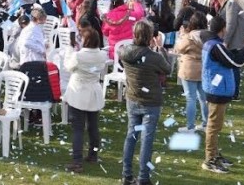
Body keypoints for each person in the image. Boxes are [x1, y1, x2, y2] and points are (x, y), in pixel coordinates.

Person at [201, 16, 244, 173]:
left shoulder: (214, 44)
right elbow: (235, 62)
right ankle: (209, 159)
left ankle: (215, 155)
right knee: (213, 126)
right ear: (222, 29)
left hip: (217, 89)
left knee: (216, 126)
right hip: (216, 91)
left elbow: (229, 58)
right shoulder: (215, 46)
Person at [119, 20, 171, 185]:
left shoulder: (124, 52)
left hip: (133, 99)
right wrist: (161, 48)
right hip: (151, 102)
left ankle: (126, 175)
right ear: (150, 37)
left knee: (131, 136)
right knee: (146, 140)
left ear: (134, 35)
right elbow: (168, 69)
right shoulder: (154, 57)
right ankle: (143, 178)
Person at [63, 22, 108, 173]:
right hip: (94, 91)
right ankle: (93, 155)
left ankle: (77, 160)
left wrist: (70, 49)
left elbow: (68, 66)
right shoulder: (102, 55)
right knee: (93, 127)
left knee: (78, 129)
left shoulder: (79, 56)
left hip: (78, 92)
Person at [217, 0, 244, 99]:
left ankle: (233, 92)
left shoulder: (231, 3)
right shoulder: (237, 0)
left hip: (235, 39)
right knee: (234, 66)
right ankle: (233, 91)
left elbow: (231, 24)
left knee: (233, 66)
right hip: (240, 38)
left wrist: (225, 41)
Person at [173, 12, 208, 133]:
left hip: (189, 69)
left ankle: (190, 127)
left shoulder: (189, 37)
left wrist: (182, 35)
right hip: (203, 68)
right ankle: (206, 124)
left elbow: (179, 49)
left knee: (191, 98)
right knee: (203, 98)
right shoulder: (207, 36)